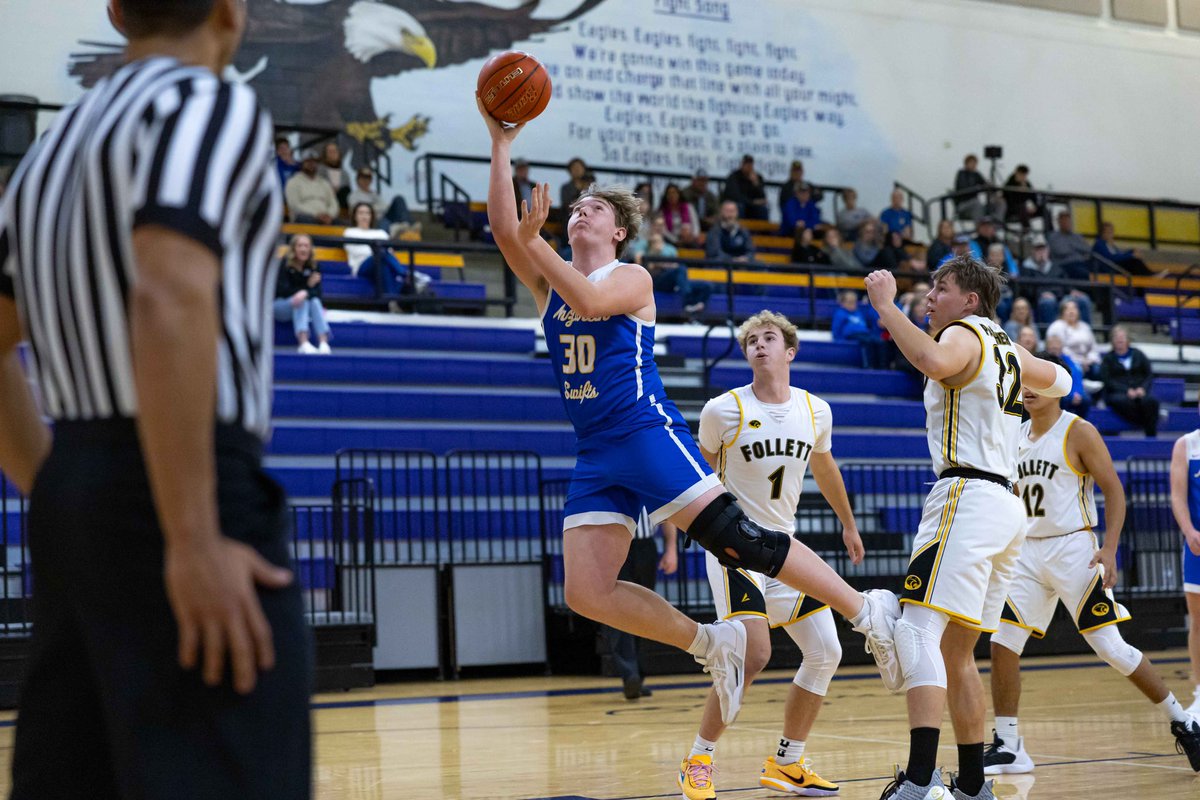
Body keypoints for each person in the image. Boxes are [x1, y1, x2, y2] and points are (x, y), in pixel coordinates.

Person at [478, 96, 902, 731]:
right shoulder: (548, 283)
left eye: (590, 208)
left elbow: (590, 303)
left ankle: (867, 612)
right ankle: (713, 645)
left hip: (644, 431)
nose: (577, 213)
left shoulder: (634, 278)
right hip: (594, 448)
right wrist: (501, 144)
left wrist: (530, 239)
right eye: (573, 209)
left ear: (617, 229)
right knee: (586, 593)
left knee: (741, 540)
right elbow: (505, 232)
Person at [0, 1, 313, 796]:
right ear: (229, 10)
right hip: (186, 485)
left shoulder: (49, 151)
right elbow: (170, 292)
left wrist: (62, 495)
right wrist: (191, 535)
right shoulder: (207, 102)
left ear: (115, 9)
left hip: (77, 491)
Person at [863, 257, 1071, 800]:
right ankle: (974, 786)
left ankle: (919, 781)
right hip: (1006, 508)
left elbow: (931, 358)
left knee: (915, 631)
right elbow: (1065, 379)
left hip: (968, 495)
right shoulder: (1009, 347)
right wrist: (1029, 379)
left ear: (971, 300)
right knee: (958, 654)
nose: (930, 296)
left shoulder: (963, 334)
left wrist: (886, 307)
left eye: (942, 287)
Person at [679, 311, 865, 800]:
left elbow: (824, 467)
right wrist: (675, 541)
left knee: (827, 651)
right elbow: (697, 480)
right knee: (752, 654)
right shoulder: (723, 409)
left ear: (790, 351)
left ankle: (787, 762)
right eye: (751, 341)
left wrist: (847, 522)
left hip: (785, 552)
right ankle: (698, 759)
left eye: (769, 338)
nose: (759, 345)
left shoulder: (815, 410)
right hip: (735, 549)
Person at [984, 361, 1200, 775]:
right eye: (1024, 383)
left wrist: (1111, 548)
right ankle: (1009, 745)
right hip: (1027, 551)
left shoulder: (1078, 430)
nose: (1028, 389)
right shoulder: (1012, 433)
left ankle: (1183, 721)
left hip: (1074, 548)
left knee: (1110, 647)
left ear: (1059, 389)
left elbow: (1115, 492)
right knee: (1003, 640)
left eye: (1038, 383)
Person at [601, 509, 677, 700]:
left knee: (644, 609)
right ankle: (630, 674)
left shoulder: (649, 480)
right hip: (614, 544)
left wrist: (671, 549)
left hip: (644, 547)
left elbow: (666, 514)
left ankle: (637, 675)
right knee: (619, 609)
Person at [1170, 409, 1200, 717]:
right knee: (1198, 621)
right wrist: (1189, 531)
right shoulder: (1187, 445)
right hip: (1197, 547)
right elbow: (1177, 497)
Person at [343, 203, 430, 297]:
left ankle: (392, 301)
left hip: (381, 263)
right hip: (362, 266)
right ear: (355, 216)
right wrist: (377, 251)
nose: (364, 216)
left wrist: (378, 251)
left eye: (367, 213)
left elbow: (390, 253)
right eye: (361, 213)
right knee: (380, 253)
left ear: (371, 216)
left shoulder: (381, 233)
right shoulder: (349, 232)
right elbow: (356, 251)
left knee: (384, 266)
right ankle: (406, 274)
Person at [1099, 326, 1159, 436]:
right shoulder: (1108, 359)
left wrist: (1142, 388)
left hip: (1139, 391)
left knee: (1151, 402)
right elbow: (1107, 380)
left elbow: (1148, 374)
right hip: (1118, 393)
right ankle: (1142, 423)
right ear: (1112, 341)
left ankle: (1151, 438)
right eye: (1116, 337)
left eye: (1122, 337)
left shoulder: (1138, 355)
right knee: (1122, 401)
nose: (1120, 340)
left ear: (1128, 340)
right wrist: (1126, 390)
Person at [275, 235, 331, 354]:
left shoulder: (314, 266)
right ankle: (303, 342)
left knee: (314, 301)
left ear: (310, 249)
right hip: (279, 305)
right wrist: (306, 288)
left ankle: (323, 342)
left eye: (306, 246)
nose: (303, 249)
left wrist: (305, 291)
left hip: (300, 305)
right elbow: (281, 290)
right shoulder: (285, 264)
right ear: (293, 249)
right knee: (302, 300)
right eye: (300, 246)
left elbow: (317, 293)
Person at [639, 230, 711, 317]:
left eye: (659, 241)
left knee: (706, 285)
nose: (657, 243)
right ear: (650, 243)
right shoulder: (646, 253)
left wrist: (668, 265)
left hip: (675, 282)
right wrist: (660, 262)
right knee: (680, 269)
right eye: (654, 241)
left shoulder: (668, 252)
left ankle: (695, 307)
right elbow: (647, 270)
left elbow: (674, 265)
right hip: (657, 283)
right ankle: (688, 303)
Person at [833, 290, 889, 370]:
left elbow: (865, 326)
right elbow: (836, 328)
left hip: (864, 334)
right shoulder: (840, 313)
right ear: (842, 303)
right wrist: (839, 341)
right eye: (849, 302)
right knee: (868, 341)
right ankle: (868, 366)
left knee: (880, 341)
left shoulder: (858, 313)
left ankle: (882, 367)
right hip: (851, 335)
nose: (852, 305)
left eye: (854, 302)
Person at [1045, 299, 1100, 377]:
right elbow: (1060, 350)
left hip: (1088, 363)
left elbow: (1093, 347)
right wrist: (1079, 362)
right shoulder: (1057, 326)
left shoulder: (1085, 326)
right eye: (1067, 309)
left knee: (1099, 370)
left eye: (1074, 308)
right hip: (1067, 362)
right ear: (1062, 312)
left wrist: (1089, 360)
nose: (1071, 311)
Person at [285, 149, 340, 224]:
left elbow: (334, 203)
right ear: (302, 164)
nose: (311, 164)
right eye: (308, 161)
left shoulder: (324, 183)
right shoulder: (293, 182)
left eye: (314, 162)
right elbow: (295, 205)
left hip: (326, 217)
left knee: (344, 225)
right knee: (304, 219)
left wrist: (329, 215)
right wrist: (316, 215)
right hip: (305, 218)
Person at [1044, 334, 1089, 419]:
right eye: (1052, 348)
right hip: (1050, 392)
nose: (1055, 350)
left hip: (1068, 392)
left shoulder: (1068, 360)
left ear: (1061, 348)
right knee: (1060, 399)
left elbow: (1076, 378)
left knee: (1086, 399)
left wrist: (1076, 393)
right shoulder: (1043, 359)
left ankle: (1079, 424)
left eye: (1057, 348)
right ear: (1047, 348)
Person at [1047, 211, 1094, 281]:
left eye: (1068, 221)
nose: (1067, 223)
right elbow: (1061, 251)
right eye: (1064, 221)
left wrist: (1072, 246)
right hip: (1065, 264)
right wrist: (1078, 249)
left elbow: (1088, 249)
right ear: (1059, 222)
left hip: (1082, 263)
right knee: (1083, 274)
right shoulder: (1053, 237)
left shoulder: (1077, 236)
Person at [722, 154, 769, 220]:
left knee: (763, 209)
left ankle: (764, 229)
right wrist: (752, 202)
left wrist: (756, 184)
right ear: (742, 165)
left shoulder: (757, 177)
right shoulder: (734, 176)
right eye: (746, 164)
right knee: (740, 207)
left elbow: (762, 198)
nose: (749, 167)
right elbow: (736, 196)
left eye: (750, 164)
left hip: (752, 207)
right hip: (741, 204)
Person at [659, 183, 701, 247]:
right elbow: (664, 230)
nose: (672, 196)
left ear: (679, 194)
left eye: (674, 193)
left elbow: (695, 225)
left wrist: (693, 236)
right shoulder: (662, 211)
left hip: (689, 238)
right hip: (672, 240)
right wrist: (675, 241)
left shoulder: (689, 207)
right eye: (669, 194)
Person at [1002, 165, 1043, 230]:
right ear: (1016, 173)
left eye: (1024, 175)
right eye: (1021, 174)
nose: (1023, 177)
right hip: (1013, 208)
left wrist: (1035, 206)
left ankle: (1049, 231)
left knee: (1044, 208)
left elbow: (1033, 196)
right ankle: (1027, 229)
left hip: (1026, 207)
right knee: (1021, 207)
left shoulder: (1026, 183)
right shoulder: (1009, 184)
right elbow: (1009, 199)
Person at [954, 154, 992, 222]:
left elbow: (984, 184)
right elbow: (963, 188)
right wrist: (978, 188)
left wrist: (989, 185)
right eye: (971, 163)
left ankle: (996, 227)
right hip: (963, 204)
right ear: (966, 164)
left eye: (975, 163)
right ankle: (979, 227)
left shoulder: (976, 174)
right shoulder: (961, 173)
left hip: (973, 203)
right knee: (977, 203)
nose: (974, 165)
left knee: (997, 203)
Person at [317, 140, 351, 209]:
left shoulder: (345, 174)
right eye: (330, 151)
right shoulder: (319, 170)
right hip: (324, 201)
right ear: (325, 154)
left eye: (335, 151)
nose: (333, 154)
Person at [560, 157, 589, 226]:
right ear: (570, 171)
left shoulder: (590, 186)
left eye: (579, 167)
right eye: (574, 168)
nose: (577, 170)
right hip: (571, 218)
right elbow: (568, 206)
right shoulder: (565, 188)